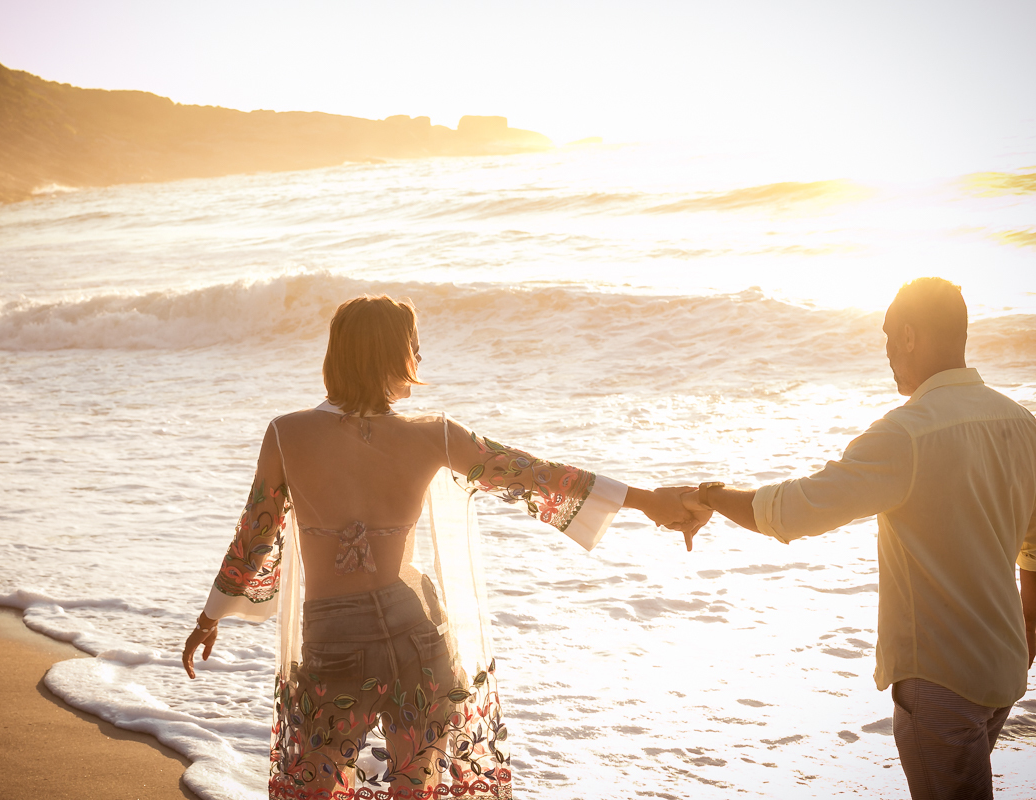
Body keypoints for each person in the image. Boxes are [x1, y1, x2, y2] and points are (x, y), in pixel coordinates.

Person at [182, 295, 705, 798]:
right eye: (413, 345)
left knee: (314, 789)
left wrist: (211, 616)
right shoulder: (433, 434)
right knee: (418, 790)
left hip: (336, 639)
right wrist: (647, 500)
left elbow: (254, 536)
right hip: (417, 632)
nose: (419, 355)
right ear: (390, 356)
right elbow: (534, 473)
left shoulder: (287, 434)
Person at [678, 278, 1036, 800]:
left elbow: (793, 511)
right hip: (1004, 670)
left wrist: (710, 495)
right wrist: (1028, 627)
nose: (886, 352)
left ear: (909, 336)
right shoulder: (1022, 424)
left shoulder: (905, 434)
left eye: (888, 336)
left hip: (941, 682)